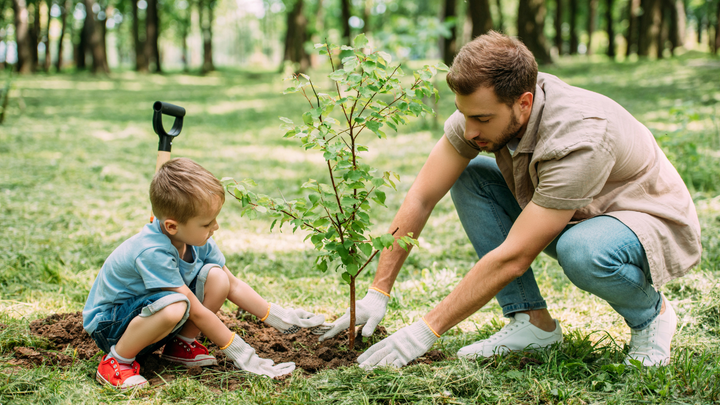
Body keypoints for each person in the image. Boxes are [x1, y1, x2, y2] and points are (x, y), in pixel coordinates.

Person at [320, 31, 701, 369]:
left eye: (482, 119)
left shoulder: (580, 136)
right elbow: (422, 195)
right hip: (575, 209)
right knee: (471, 177)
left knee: (581, 250)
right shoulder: (480, 112)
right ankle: (532, 324)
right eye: (463, 115)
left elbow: (516, 256)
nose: (470, 131)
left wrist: (424, 331)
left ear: (523, 102)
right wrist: (378, 291)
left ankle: (652, 316)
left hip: (643, 219)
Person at [83, 158, 326, 390]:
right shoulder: (152, 251)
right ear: (172, 226)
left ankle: (180, 346)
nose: (215, 227)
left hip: (148, 317)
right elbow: (196, 311)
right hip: (111, 326)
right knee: (177, 305)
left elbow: (232, 284)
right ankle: (116, 362)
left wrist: (280, 318)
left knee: (217, 277)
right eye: (207, 223)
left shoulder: (195, 239)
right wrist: (243, 354)